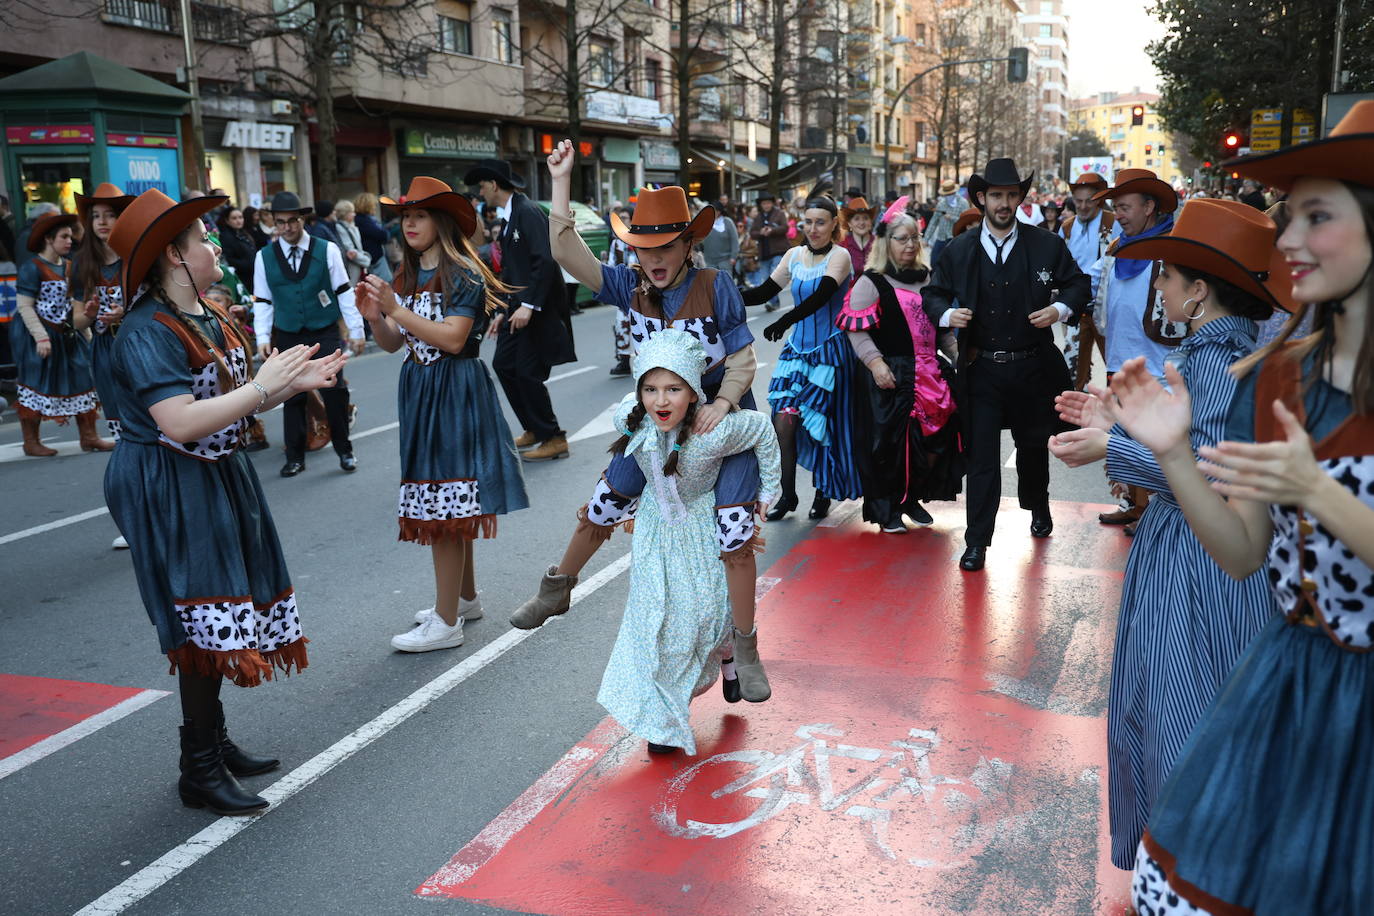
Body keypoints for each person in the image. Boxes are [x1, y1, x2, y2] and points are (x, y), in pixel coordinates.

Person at [1110, 100, 1374, 913]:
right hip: (1284, 688)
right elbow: (1242, 552)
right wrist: (1170, 451)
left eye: (1316, 217)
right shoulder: (1277, 373)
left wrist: (1316, 490)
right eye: (1289, 217)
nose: (1288, 241)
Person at [1049, 198, 1291, 872]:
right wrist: (1114, 423)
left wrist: (1109, 446)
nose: (1157, 287)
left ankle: (1188, 872)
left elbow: (1205, 471)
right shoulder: (1231, 352)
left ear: (1199, 289)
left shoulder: (1215, 362)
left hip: (1197, 562)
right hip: (1195, 552)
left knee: (1179, 712)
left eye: (1166, 276)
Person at [104, 189, 345, 815]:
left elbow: (234, 400)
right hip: (169, 475)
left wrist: (286, 388)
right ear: (176, 260)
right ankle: (199, 767)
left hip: (214, 467)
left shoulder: (208, 313)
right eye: (201, 239)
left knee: (222, 604)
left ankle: (212, 741)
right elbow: (181, 422)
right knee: (199, 608)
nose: (213, 244)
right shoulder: (144, 331)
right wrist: (266, 385)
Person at [516, 140, 775, 703]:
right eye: (643, 247)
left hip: (719, 423)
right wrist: (559, 181)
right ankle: (556, 587)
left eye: (666, 246)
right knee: (605, 501)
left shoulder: (716, 285)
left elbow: (744, 359)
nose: (653, 259)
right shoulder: (627, 286)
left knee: (733, 534)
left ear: (688, 244)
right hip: (657, 419)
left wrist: (721, 405)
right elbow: (566, 254)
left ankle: (747, 647)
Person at [353, 178, 529, 653]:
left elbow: (452, 339)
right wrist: (376, 315)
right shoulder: (408, 273)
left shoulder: (463, 273)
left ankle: (446, 621)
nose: (408, 223)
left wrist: (394, 307)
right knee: (450, 502)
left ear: (442, 222)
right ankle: (464, 600)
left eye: (420, 215)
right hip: (422, 391)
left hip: (454, 391)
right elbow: (396, 343)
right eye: (405, 215)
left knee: (446, 503)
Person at [597, 330, 781, 754]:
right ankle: (663, 721)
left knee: (705, 616)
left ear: (693, 393)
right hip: (654, 534)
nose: (661, 401)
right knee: (657, 626)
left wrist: (767, 491)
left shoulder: (712, 431)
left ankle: (730, 652)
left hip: (699, 529)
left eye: (674, 389)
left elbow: (761, 430)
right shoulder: (630, 417)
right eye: (651, 389)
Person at [919, 158, 1091, 572]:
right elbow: (933, 294)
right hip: (981, 370)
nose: (1004, 203)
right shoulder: (959, 249)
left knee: (1034, 448)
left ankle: (1039, 505)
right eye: (996, 195)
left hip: (1033, 367)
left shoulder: (1046, 243)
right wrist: (947, 316)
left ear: (1020, 198)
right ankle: (977, 541)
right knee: (981, 459)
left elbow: (1078, 284)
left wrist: (1060, 309)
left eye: (1012, 195)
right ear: (982, 198)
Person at [839, 197, 961, 533]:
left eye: (914, 238)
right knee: (890, 448)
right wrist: (876, 364)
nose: (909, 245)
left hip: (930, 375)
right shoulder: (871, 281)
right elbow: (857, 332)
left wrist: (959, 357)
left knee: (938, 440)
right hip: (890, 378)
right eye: (901, 238)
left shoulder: (929, 278)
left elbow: (943, 333)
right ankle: (887, 507)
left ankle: (911, 496)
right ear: (886, 243)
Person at [742, 196, 861, 520]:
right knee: (784, 420)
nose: (812, 229)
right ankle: (789, 495)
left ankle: (823, 491)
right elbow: (764, 291)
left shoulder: (841, 256)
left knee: (821, 424)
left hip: (830, 352)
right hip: (797, 353)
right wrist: (721, 293)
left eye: (820, 222)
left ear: (834, 224)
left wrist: (784, 321)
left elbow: (822, 295)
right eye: (807, 222)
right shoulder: (794, 255)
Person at [1090, 169, 1188, 533]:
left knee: (1154, 440)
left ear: (1149, 207)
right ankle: (1134, 503)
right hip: (1120, 356)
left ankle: (1158, 511)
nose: (1119, 214)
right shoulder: (1118, 247)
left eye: (1125, 207)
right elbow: (1096, 286)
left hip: (1159, 364)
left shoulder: (1172, 247)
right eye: (1116, 207)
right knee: (1126, 433)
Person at [464, 158, 576, 461]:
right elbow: (514, 272)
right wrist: (502, 311)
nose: (481, 192)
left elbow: (545, 260)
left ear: (494, 185)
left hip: (535, 310)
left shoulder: (526, 212)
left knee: (526, 373)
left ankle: (553, 436)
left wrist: (528, 305)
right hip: (516, 308)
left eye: (482, 186)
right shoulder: (509, 216)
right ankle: (534, 428)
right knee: (503, 366)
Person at [251, 190, 365, 477]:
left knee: (334, 391)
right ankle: (295, 455)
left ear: (302, 219)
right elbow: (263, 301)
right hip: (288, 331)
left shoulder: (326, 249)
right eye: (280, 222)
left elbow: (343, 292)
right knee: (292, 396)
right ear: (273, 223)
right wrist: (262, 338)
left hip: (323, 328)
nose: (287, 227)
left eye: (292, 221)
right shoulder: (263, 257)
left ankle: (345, 450)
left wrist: (356, 329)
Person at [12, 208, 111, 455]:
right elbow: (24, 306)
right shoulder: (32, 267)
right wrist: (41, 337)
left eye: (70, 236)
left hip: (67, 332)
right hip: (37, 334)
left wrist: (87, 335)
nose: (70, 241)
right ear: (48, 239)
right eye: (64, 237)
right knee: (36, 381)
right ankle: (31, 441)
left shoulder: (70, 267)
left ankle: (89, 436)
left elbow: (76, 305)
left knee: (82, 377)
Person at [70, 184, 135, 455]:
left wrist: (126, 312)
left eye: (109, 214)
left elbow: (158, 302)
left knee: (153, 416)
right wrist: (89, 315)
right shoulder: (82, 263)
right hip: (105, 350)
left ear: (122, 217)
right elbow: (76, 322)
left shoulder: (137, 256)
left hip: (138, 345)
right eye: (95, 216)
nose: (102, 222)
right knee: (121, 427)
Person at [1060, 172, 1116, 390]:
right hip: (1077, 307)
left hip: (1107, 308)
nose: (1082, 206)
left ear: (1099, 199)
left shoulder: (1114, 223)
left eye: (1088, 201)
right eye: (1078, 201)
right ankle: (1074, 415)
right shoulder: (1066, 227)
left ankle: (1118, 416)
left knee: (1116, 365)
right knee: (1071, 365)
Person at [748, 194, 788, 312]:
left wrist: (772, 230)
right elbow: (752, 233)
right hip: (763, 252)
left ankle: (772, 302)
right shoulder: (758, 217)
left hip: (778, 250)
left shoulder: (779, 213)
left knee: (773, 276)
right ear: (761, 205)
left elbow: (785, 228)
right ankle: (774, 301)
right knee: (766, 279)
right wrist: (760, 232)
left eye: (768, 203)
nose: (766, 205)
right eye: (764, 203)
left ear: (772, 203)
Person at [215, 207, 258, 294]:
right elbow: (228, 259)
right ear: (227, 220)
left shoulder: (243, 233)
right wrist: (249, 264)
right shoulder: (226, 237)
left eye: (240, 217)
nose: (238, 221)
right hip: (241, 279)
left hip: (251, 276)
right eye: (234, 218)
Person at [331, 199, 372, 287]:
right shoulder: (341, 228)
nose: (354, 214)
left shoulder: (351, 226)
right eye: (352, 212)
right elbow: (350, 250)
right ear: (345, 214)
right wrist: (366, 260)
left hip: (359, 266)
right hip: (352, 269)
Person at [923, 179, 964, 264]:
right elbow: (933, 222)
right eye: (946, 195)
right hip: (941, 238)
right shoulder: (941, 204)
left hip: (955, 239)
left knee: (953, 264)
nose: (948, 196)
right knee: (934, 261)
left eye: (950, 194)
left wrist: (952, 218)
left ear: (954, 192)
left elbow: (966, 221)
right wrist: (926, 239)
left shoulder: (963, 203)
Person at [353, 192, 391, 283]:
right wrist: (385, 233)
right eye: (373, 205)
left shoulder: (366, 219)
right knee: (385, 283)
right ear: (367, 206)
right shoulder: (363, 220)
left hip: (374, 257)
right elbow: (382, 235)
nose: (375, 207)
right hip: (374, 260)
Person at [698, 200, 740, 275]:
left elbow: (734, 241)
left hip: (725, 261)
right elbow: (700, 240)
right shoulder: (705, 223)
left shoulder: (728, 222)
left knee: (725, 284)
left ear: (719, 211)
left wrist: (733, 257)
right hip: (709, 261)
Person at [839, 197, 877, 275]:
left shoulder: (879, 244)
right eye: (856, 219)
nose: (862, 222)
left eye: (865, 218)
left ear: (871, 221)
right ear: (849, 223)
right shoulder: (842, 247)